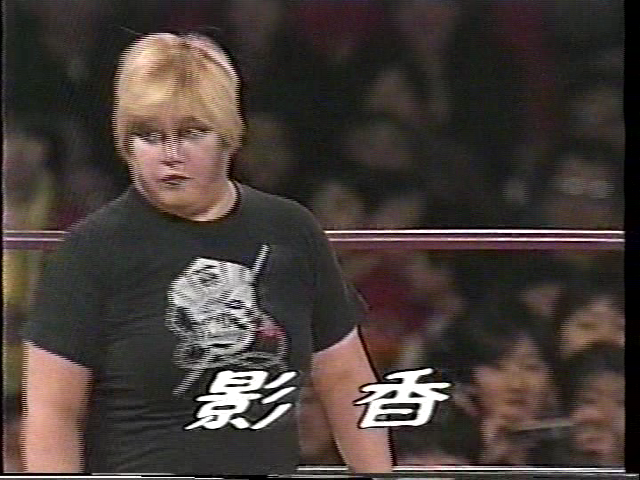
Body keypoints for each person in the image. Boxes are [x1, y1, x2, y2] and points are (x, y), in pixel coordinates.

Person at [22, 32, 392, 475]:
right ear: (126, 146)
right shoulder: (92, 251)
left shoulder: (290, 231)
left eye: (191, 133)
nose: (170, 155)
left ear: (228, 137)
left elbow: (346, 380)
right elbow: (52, 413)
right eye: (149, 136)